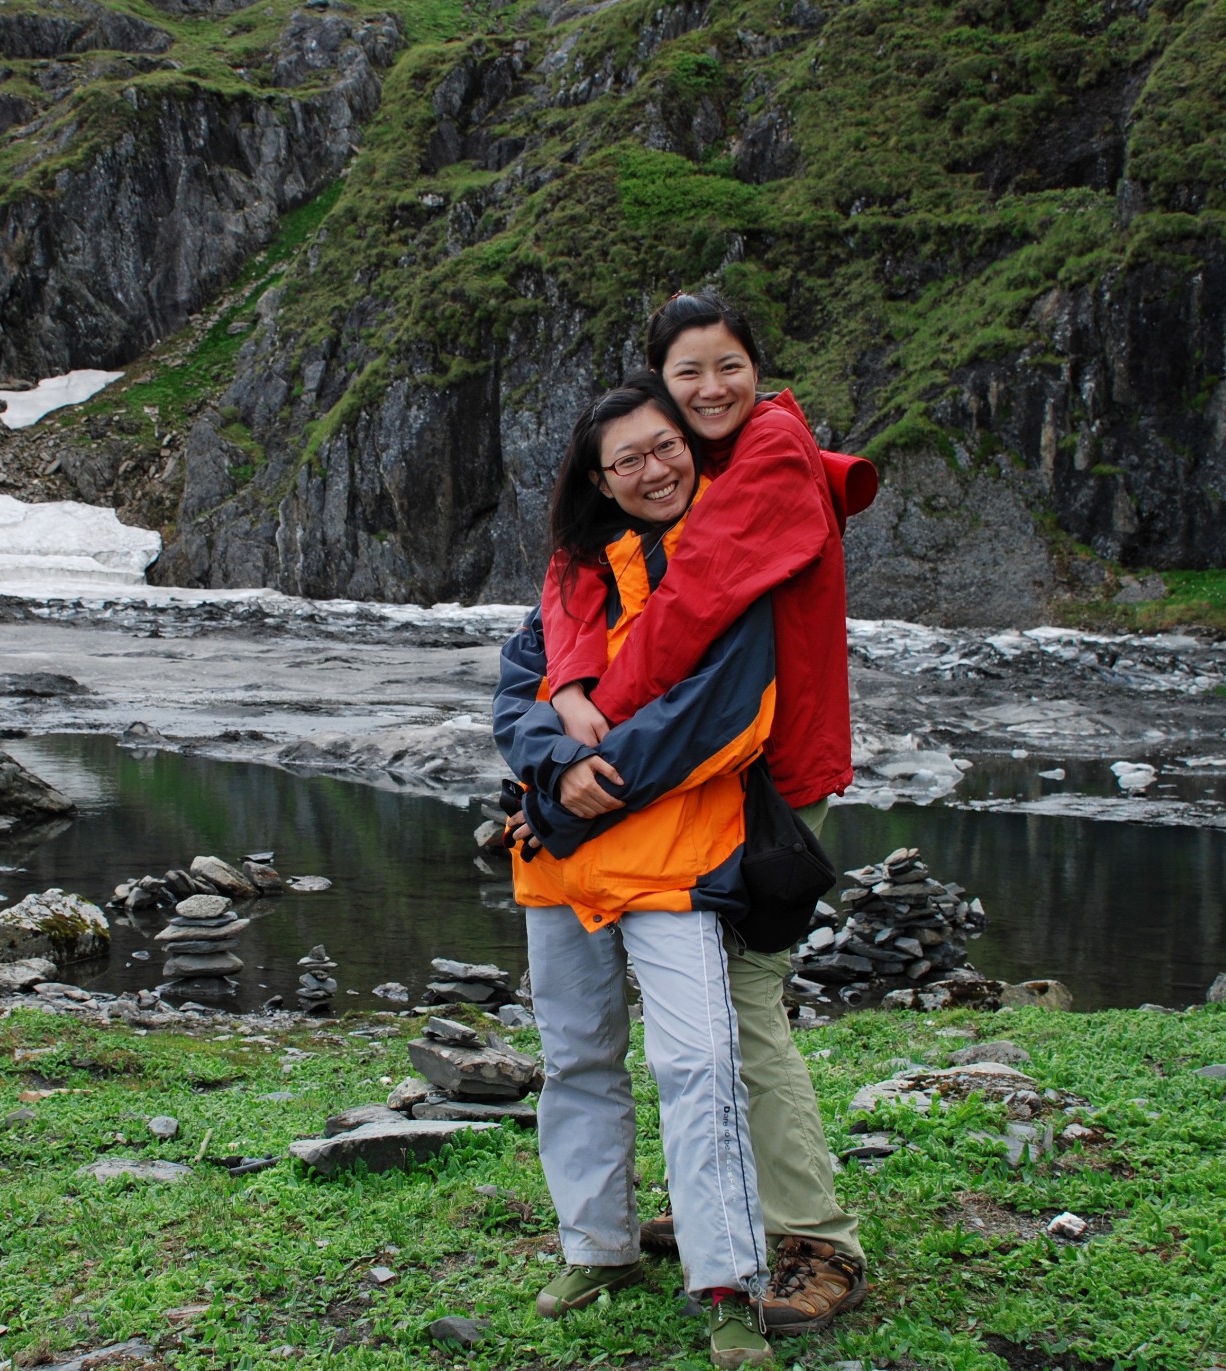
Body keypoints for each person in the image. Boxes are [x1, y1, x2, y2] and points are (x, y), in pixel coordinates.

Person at [537, 292, 874, 1337]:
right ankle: (723, 1205)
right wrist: (558, 691)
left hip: (767, 771)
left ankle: (817, 1240)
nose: (710, 387)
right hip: (737, 770)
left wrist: (592, 732)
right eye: (689, 373)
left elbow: (693, 611)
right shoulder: (709, 471)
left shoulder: (765, 454)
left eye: (726, 364)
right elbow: (569, 591)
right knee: (729, 1007)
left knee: (742, 1008)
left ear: (757, 368)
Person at [495, 374, 783, 1369]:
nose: (652, 469)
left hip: (675, 860)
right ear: (600, 481)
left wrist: (584, 783)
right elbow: (512, 699)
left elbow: (728, 711)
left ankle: (728, 1284)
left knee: (697, 1065)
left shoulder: (725, 560)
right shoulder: (570, 579)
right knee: (576, 1059)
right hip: (561, 873)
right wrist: (553, 762)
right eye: (628, 460)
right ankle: (597, 1248)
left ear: (688, 448)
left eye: (663, 447)